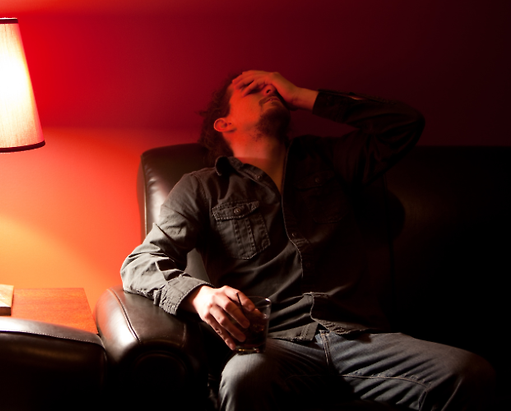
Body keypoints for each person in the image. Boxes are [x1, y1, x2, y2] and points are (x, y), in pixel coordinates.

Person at [121, 70, 495, 410]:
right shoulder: (202, 187)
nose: (269, 88)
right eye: (251, 88)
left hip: (361, 339)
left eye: (272, 85)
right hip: (271, 345)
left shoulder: (330, 160)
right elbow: (139, 263)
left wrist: (301, 95)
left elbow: (405, 123)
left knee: (469, 373)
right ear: (225, 122)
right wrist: (199, 295)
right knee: (242, 379)